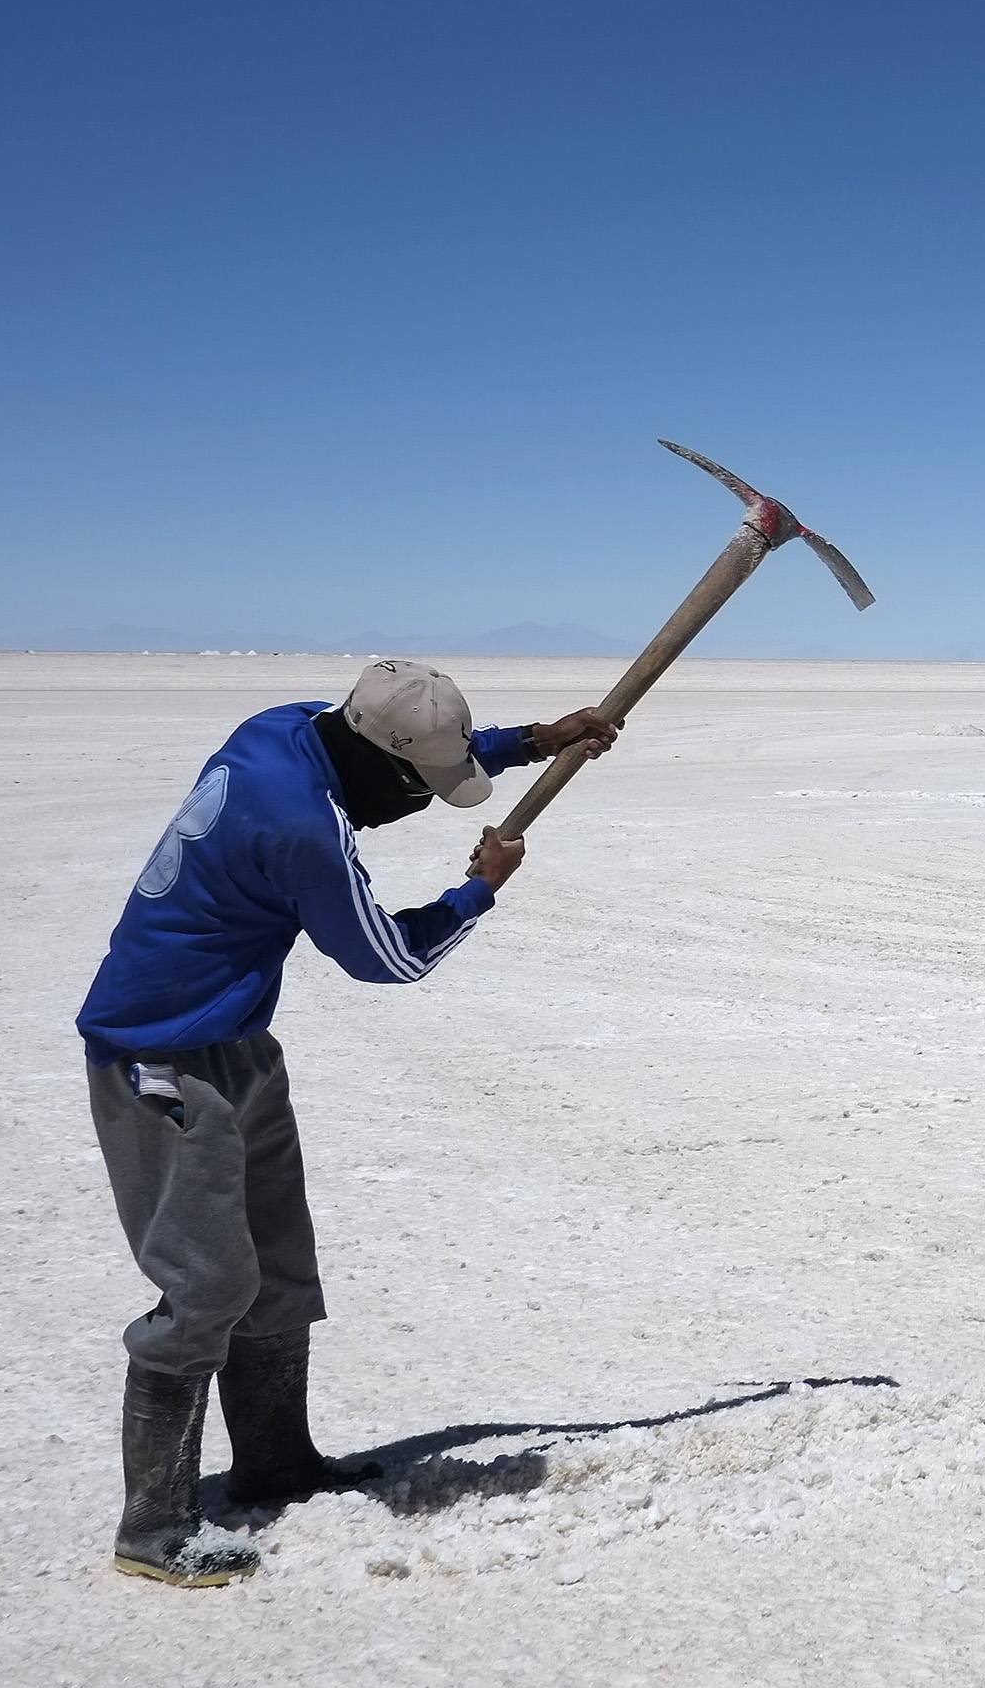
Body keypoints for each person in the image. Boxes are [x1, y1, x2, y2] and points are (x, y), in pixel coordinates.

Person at [73, 657, 618, 1587]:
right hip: (157, 1060)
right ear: (380, 762)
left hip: (236, 1043)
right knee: (207, 1285)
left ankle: (276, 1463)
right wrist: (478, 891)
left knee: (279, 1266)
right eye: (418, 782)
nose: (416, 799)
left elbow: (388, 768)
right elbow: (387, 959)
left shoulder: (284, 729)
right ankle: (154, 1527)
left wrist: (532, 742)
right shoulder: (303, 830)